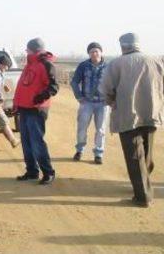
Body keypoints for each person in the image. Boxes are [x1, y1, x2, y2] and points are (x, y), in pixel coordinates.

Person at [99, 33, 164, 207]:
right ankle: (143, 183)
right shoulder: (156, 60)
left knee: (135, 155)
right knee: (147, 153)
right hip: (152, 113)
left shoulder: (117, 63)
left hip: (128, 115)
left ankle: (142, 196)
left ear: (123, 46)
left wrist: (111, 101)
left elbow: (106, 88)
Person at [13, 38, 59, 185]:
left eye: (28, 49)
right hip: (25, 108)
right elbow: (23, 86)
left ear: (34, 49)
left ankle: (48, 172)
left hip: (36, 109)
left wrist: (39, 98)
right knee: (26, 142)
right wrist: (17, 104)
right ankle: (32, 171)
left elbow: (53, 86)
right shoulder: (30, 64)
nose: (26, 52)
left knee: (36, 142)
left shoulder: (46, 64)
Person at [70, 42, 109, 164]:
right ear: (89, 53)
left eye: (96, 51)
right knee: (82, 128)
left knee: (101, 129)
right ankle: (79, 150)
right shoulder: (83, 66)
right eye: (92, 51)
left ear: (101, 52)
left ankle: (98, 153)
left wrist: (111, 98)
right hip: (86, 102)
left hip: (103, 103)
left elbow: (115, 83)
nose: (94, 53)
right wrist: (79, 97)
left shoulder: (109, 67)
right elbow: (74, 82)